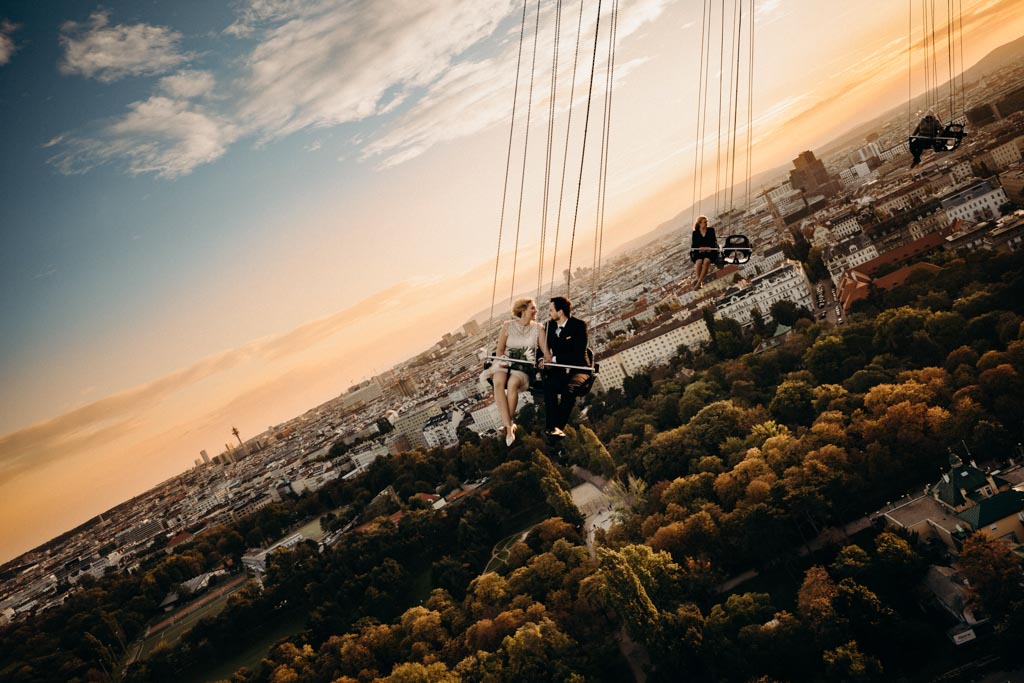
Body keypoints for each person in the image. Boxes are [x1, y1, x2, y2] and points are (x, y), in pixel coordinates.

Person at [484, 298, 548, 446]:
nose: (536, 311)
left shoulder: (539, 328)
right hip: (505, 361)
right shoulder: (507, 326)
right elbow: (500, 349)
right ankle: (509, 425)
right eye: (533, 308)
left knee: (512, 383)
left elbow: (546, 352)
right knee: (498, 382)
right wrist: (502, 361)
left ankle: (508, 426)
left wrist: (545, 360)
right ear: (523, 310)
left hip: (524, 365)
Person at [542, 296, 589, 438]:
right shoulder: (549, 327)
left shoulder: (579, 326)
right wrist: (540, 359)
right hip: (560, 370)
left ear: (560, 312)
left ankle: (558, 427)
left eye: (551, 310)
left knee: (569, 391)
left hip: (579, 369)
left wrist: (553, 359)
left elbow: (578, 354)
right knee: (549, 387)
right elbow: (541, 346)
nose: (549, 313)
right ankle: (551, 428)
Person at [690, 215, 717, 289]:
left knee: (706, 261)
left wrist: (709, 248)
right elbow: (694, 244)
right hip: (700, 252)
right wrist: (700, 248)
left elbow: (714, 241)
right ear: (699, 223)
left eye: (706, 222)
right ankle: (700, 282)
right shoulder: (695, 233)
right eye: (704, 222)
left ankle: (699, 283)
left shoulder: (711, 230)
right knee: (698, 262)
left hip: (710, 251)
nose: (706, 223)